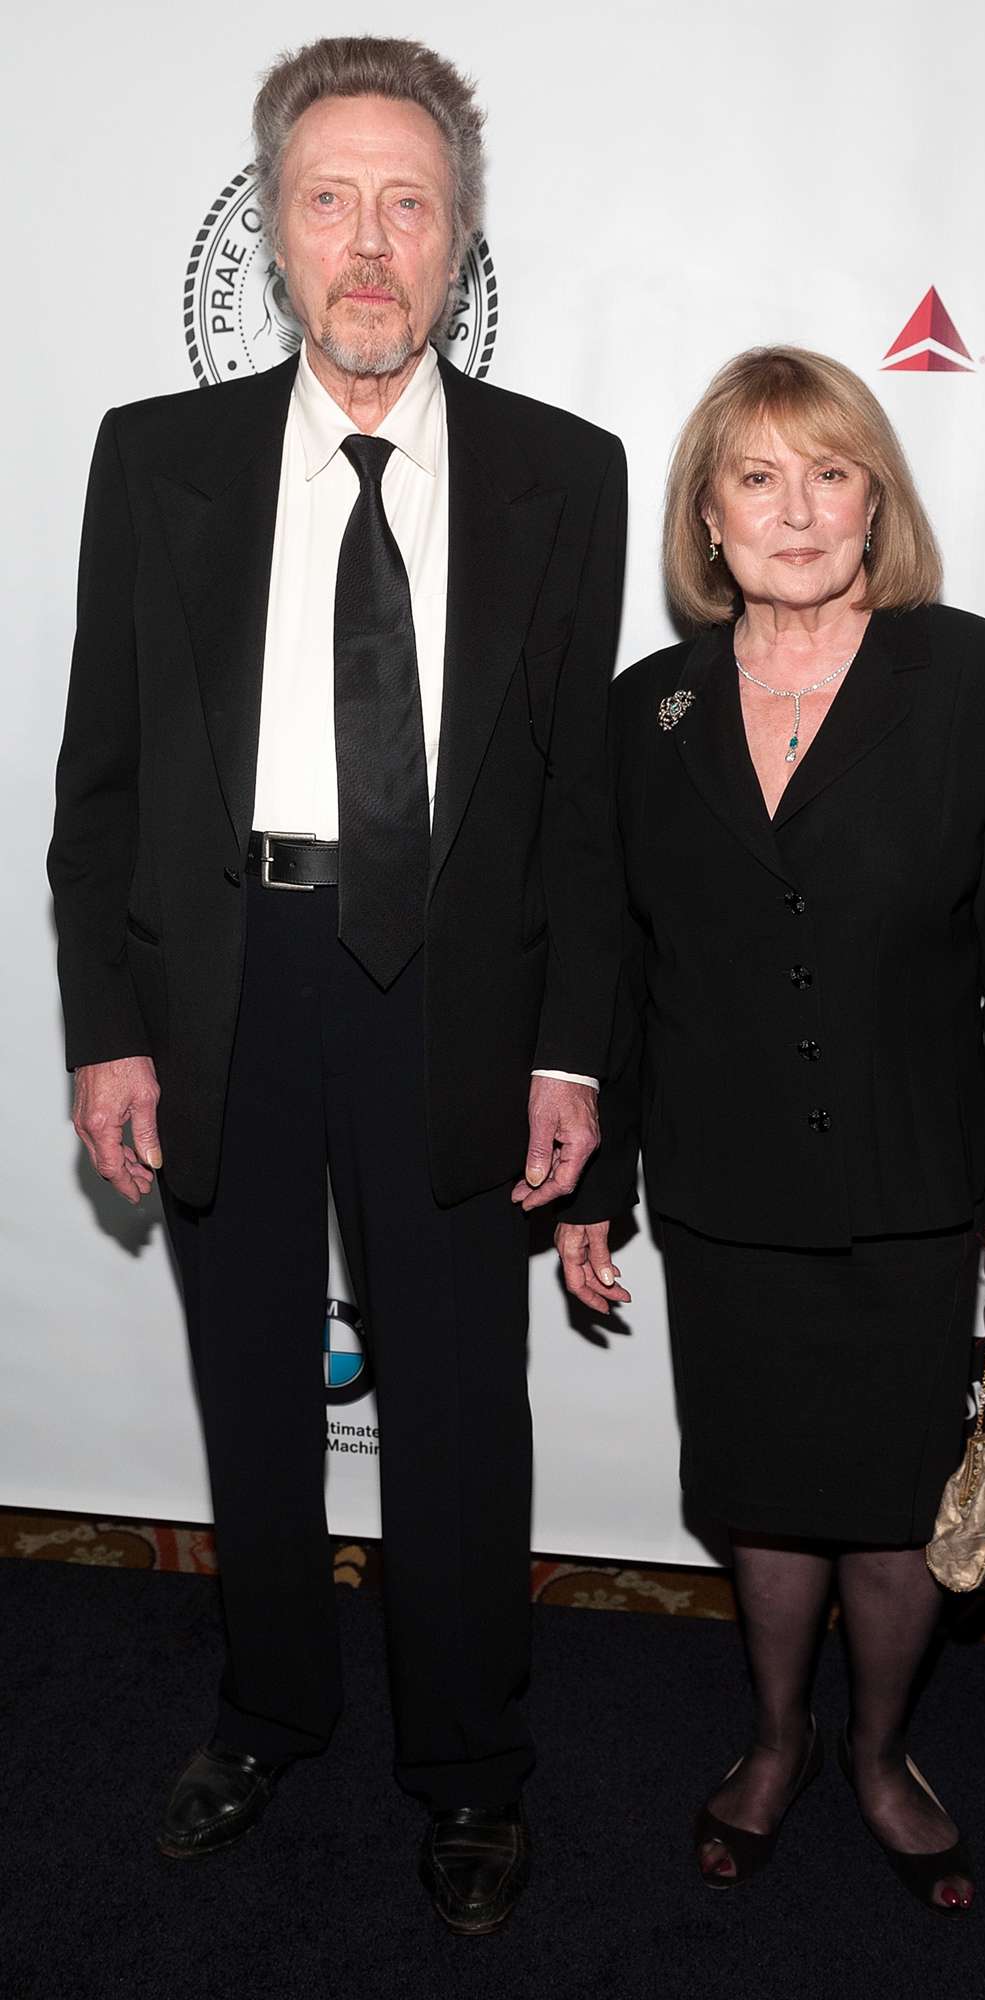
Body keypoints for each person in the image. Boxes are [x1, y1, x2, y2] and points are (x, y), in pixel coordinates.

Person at [48, 35, 626, 1937]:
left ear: (457, 240)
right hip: (228, 975)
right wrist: (109, 1025)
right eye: (330, 199)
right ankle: (268, 1705)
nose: (368, 244)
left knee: (464, 1408)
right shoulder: (158, 460)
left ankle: (469, 1766)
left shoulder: (567, 474)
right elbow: (103, 778)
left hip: (457, 987)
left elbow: (572, 810)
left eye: (408, 204)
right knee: (252, 1386)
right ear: (274, 230)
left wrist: (570, 1054)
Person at [554, 347, 985, 1914]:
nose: (797, 509)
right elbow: (625, 969)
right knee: (763, 1493)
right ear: (706, 517)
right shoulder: (645, 711)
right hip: (725, 1193)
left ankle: (881, 1751)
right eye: (757, 478)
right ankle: (778, 1737)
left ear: (877, 501)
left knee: (895, 1501)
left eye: (831, 473)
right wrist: (602, 1179)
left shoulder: (981, 677)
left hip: (915, 1183)